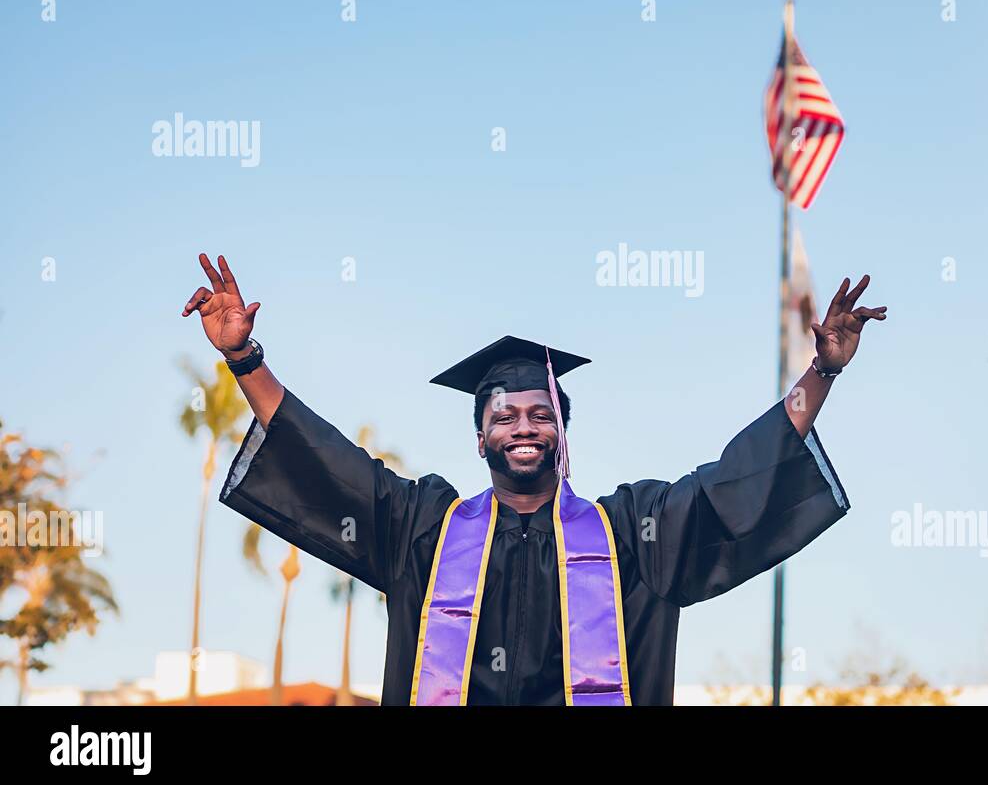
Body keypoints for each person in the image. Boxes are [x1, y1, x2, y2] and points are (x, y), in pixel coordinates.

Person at [181, 252, 886, 705]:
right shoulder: (423, 529)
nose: (523, 426)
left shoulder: (631, 537)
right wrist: (245, 358)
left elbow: (736, 481)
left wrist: (821, 372)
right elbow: (326, 464)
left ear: (561, 433)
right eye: (506, 414)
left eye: (539, 413)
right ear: (479, 433)